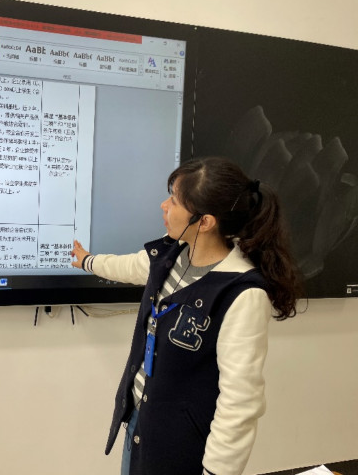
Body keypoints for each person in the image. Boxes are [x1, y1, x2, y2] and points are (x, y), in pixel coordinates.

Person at [71, 157, 304, 475]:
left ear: (204, 222)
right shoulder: (172, 255)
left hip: (183, 446)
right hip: (141, 422)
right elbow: (129, 266)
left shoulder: (241, 293)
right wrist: (87, 261)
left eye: (174, 200)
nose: (164, 205)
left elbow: (240, 402)